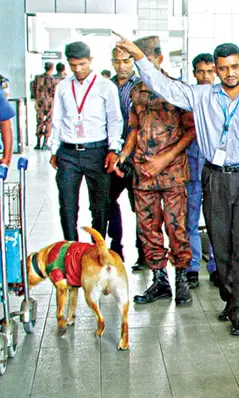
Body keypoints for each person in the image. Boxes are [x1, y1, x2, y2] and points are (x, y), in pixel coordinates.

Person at [114, 34, 239, 336]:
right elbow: (164, 86)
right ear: (217, 70)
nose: (229, 73)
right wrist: (138, 57)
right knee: (220, 247)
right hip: (215, 176)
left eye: (235, 67)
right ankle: (231, 298)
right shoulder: (202, 96)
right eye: (223, 68)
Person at [118, 36, 196, 307]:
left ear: (159, 59)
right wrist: (125, 153)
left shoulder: (177, 89)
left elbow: (191, 130)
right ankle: (159, 280)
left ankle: (182, 278)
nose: (140, 65)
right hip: (143, 173)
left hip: (172, 172)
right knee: (148, 229)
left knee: (176, 228)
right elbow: (135, 127)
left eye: (144, 59)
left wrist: (165, 158)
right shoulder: (136, 90)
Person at [49, 41, 123, 242]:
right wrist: (54, 150)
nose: (78, 69)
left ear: (90, 60)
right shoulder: (63, 86)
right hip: (68, 153)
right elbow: (57, 118)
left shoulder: (106, 86)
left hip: (96, 152)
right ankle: (71, 247)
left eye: (82, 64)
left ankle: (97, 247)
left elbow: (115, 119)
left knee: (100, 205)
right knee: (67, 203)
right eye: (73, 65)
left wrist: (114, 149)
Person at [106, 45, 146, 267]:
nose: (121, 66)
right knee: (108, 203)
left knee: (139, 207)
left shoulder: (142, 86)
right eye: (117, 61)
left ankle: (143, 252)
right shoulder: (106, 86)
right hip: (111, 157)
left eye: (126, 61)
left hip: (136, 158)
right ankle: (116, 249)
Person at [185, 53, 219, 289]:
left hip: (216, 170)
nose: (205, 76)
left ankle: (217, 267)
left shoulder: (223, 98)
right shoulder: (186, 98)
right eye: (200, 72)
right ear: (194, 73)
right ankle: (192, 267)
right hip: (191, 170)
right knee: (190, 221)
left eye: (209, 71)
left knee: (216, 221)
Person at [31, 62, 59, 150]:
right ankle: (45, 143)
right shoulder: (54, 79)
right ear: (52, 68)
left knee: (39, 121)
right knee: (48, 122)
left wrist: (36, 97)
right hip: (50, 103)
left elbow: (33, 88)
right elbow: (55, 92)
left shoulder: (37, 78)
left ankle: (38, 143)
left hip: (39, 102)